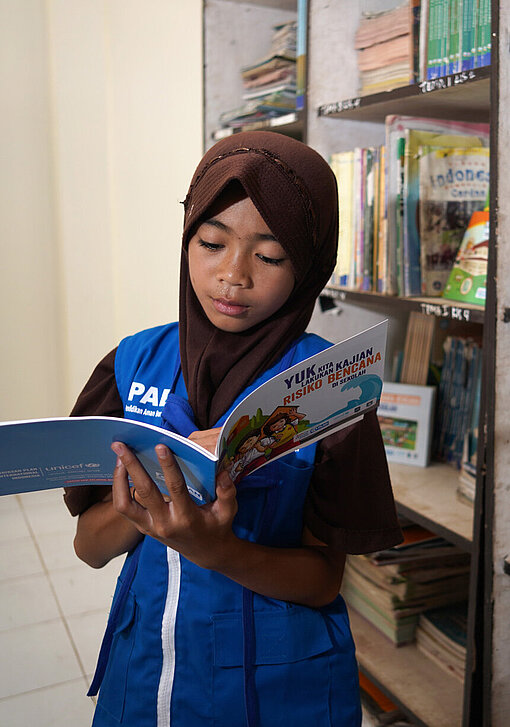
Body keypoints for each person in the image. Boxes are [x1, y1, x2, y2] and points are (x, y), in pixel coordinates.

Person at [64, 131, 403, 727]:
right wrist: (152, 492)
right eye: (211, 242)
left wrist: (217, 550)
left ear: (310, 264)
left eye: (269, 257)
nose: (233, 276)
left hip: (277, 690)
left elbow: (324, 580)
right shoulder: (132, 364)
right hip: (147, 673)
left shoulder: (328, 386)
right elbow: (89, 550)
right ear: (187, 238)